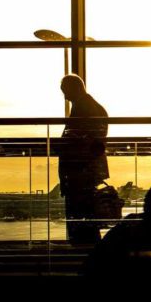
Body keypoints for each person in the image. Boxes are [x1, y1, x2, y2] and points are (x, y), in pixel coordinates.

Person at [58, 74, 109, 245]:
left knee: (80, 220)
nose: (64, 95)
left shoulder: (85, 108)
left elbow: (91, 142)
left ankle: (84, 255)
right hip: (84, 173)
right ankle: (87, 254)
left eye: (65, 90)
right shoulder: (91, 107)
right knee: (86, 221)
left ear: (75, 88)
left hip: (80, 173)